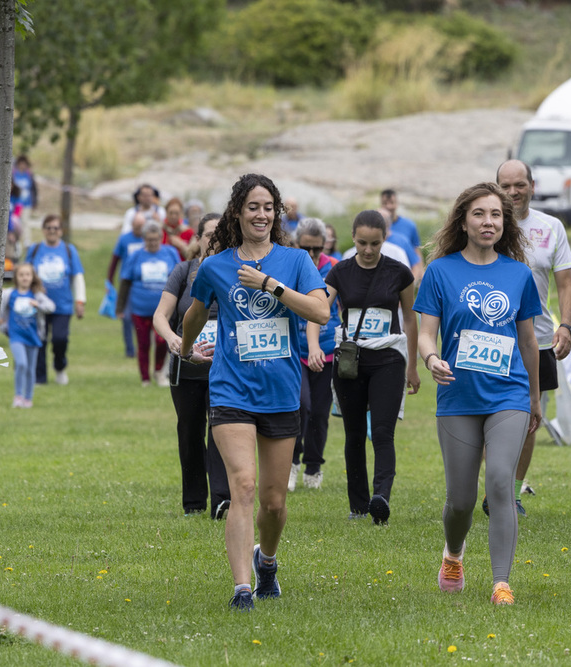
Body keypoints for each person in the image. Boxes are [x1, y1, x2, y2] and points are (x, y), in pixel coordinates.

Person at [179, 173, 329, 611]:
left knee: (274, 502)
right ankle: (242, 588)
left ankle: (267, 561)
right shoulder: (215, 266)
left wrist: (270, 286)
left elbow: (320, 310)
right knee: (241, 486)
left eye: (268, 208)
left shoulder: (296, 261)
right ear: (238, 214)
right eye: (252, 207)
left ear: (275, 214)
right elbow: (195, 311)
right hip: (230, 390)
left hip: (281, 392)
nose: (261, 215)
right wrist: (187, 351)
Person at [415, 182, 542, 606]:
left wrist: (535, 398)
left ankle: (501, 582)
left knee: (501, 482)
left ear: (505, 224)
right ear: (463, 222)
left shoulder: (519, 274)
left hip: (509, 394)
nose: (488, 222)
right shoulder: (440, 271)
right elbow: (426, 333)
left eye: (496, 215)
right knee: (461, 500)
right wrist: (432, 359)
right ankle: (453, 554)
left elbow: (528, 343)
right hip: (457, 398)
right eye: (479, 214)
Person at [309, 210, 420, 525]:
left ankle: (380, 497)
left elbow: (411, 319)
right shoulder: (339, 272)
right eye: (362, 243)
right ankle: (357, 506)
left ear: (385, 238)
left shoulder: (399, 272)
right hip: (350, 361)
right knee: (354, 432)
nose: (368, 250)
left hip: (388, 359)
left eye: (375, 243)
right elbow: (319, 311)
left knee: (383, 432)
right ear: (353, 240)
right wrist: (315, 345)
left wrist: (413, 366)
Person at [493, 159, 571, 517]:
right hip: (490, 337)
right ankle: (494, 487)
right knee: (489, 414)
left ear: (532, 184)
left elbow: (566, 285)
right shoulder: (486, 223)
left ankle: (510, 494)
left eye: (520, 185)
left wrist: (566, 326)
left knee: (531, 417)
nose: (513, 192)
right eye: (506, 186)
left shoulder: (551, 227)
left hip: (539, 339)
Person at [153, 212, 231, 519]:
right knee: (189, 432)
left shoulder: (233, 271)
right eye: (209, 234)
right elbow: (161, 315)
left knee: (222, 430)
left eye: (220, 234)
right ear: (197, 239)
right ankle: (194, 502)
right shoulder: (183, 271)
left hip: (224, 368)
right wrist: (175, 340)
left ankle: (222, 500)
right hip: (187, 369)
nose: (215, 240)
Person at [288, 217, 342, 492]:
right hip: (294, 351)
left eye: (317, 249)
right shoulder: (289, 267)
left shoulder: (334, 269)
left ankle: (314, 465)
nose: (311, 255)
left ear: (326, 246)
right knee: (300, 406)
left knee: (320, 411)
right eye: (306, 248)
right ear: (296, 244)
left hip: (328, 352)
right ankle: (292, 461)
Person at [116, 221, 180, 387]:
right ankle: (145, 378)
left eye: (156, 239)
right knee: (143, 344)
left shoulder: (170, 253)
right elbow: (125, 282)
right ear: (144, 239)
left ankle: (159, 371)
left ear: (161, 238)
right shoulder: (135, 256)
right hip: (140, 308)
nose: (153, 243)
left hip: (164, 310)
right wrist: (120, 307)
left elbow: (179, 279)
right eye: (149, 239)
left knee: (161, 341)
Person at [25, 214, 87, 385]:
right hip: (38, 304)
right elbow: (24, 273)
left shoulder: (69, 250)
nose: (52, 231)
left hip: (63, 305)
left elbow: (77, 276)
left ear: (61, 231)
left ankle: (60, 366)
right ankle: (40, 377)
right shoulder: (35, 249)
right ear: (43, 230)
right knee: (40, 340)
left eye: (56, 228)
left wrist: (80, 301)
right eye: (48, 228)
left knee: (60, 339)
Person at [0, 263, 55, 408]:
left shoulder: (36, 295)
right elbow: (0, 312)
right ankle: (18, 396)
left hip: (33, 336)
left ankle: (28, 398)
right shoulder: (9, 294)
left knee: (31, 369)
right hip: (16, 336)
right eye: (21, 275)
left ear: (32, 277)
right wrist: (2, 325)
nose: (25, 278)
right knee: (21, 364)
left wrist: (37, 305)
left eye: (28, 275)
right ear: (16, 277)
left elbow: (51, 307)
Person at [109, 212, 147, 358]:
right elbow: (114, 260)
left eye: (142, 226)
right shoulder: (124, 239)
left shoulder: (147, 239)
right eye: (137, 226)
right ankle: (130, 350)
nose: (139, 229)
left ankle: (143, 347)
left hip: (144, 284)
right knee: (125, 317)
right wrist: (110, 280)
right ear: (132, 225)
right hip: (127, 283)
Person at [380, 188, 423, 267]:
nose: (389, 206)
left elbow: (416, 250)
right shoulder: (376, 225)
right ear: (381, 205)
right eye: (385, 203)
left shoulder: (409, 225)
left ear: (397, 203)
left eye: (392, 203)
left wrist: (421, 272)